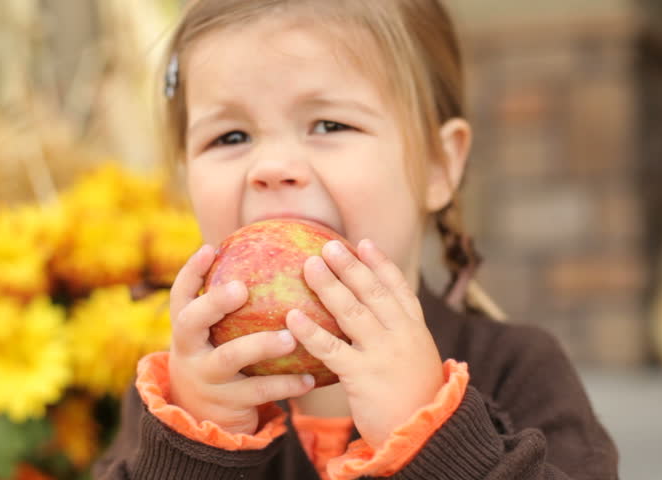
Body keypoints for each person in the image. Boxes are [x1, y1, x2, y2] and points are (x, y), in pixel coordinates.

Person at [93, 1, 618, 478]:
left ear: (439, 164)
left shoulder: (519, 370)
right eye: (230, 136)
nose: (272, 167)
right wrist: (195, 446)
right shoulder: (172, 401)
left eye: (328, 124)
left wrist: (428, 434)